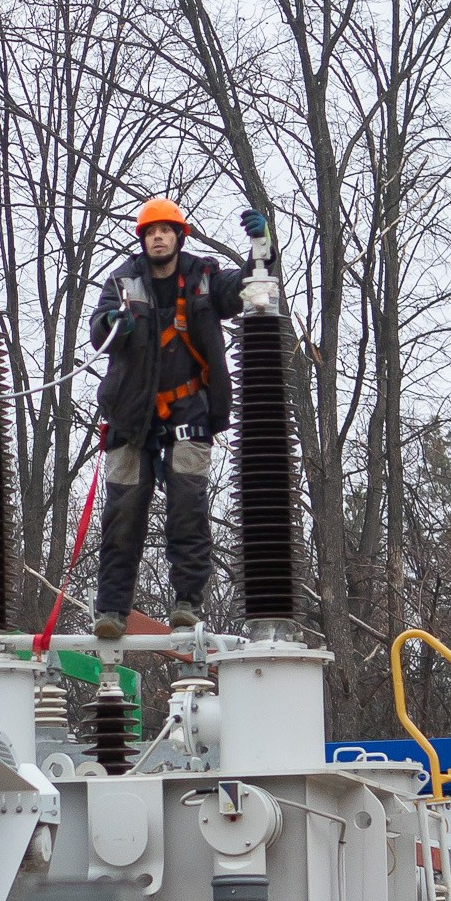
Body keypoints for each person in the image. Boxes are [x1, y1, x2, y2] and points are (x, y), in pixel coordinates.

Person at [88, 199, 254, 638]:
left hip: (188, 410)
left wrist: (261, 250)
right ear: (142, 239)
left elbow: (246, 287)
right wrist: (112, 323)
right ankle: (111, 609)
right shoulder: (123, 282)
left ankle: (186, 602)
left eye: (166, 230)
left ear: (180, 236)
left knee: (188, 505)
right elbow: (97, 329)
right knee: (122, 513)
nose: (158, 237)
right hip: (130, 416)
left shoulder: (204, 278)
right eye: (150, 231)